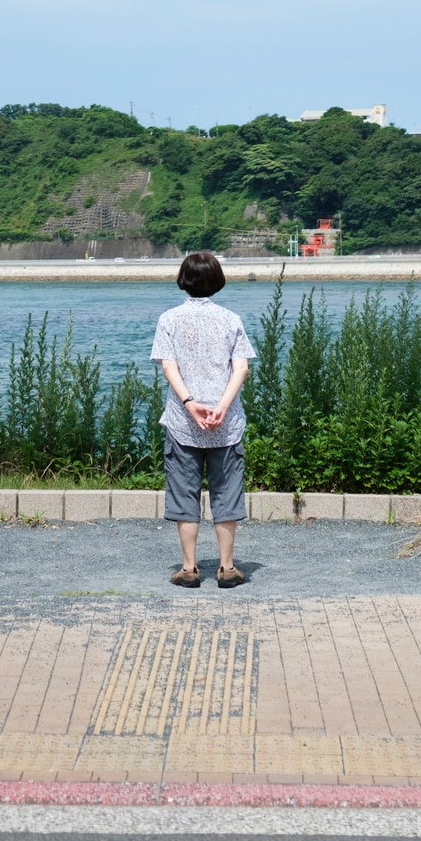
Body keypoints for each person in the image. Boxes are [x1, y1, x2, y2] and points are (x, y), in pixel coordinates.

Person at [150, 249, 255, 588]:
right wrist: (221, 406)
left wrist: (190, 403)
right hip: (226, 424)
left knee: (184, 495)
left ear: (184, 281)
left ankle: (189, 569)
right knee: (227, 494)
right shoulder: (231, 319)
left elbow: (169, 367)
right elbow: (241, 368)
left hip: (184, 422)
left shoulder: (169, 319)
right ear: (217, 281)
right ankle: (227, 568)